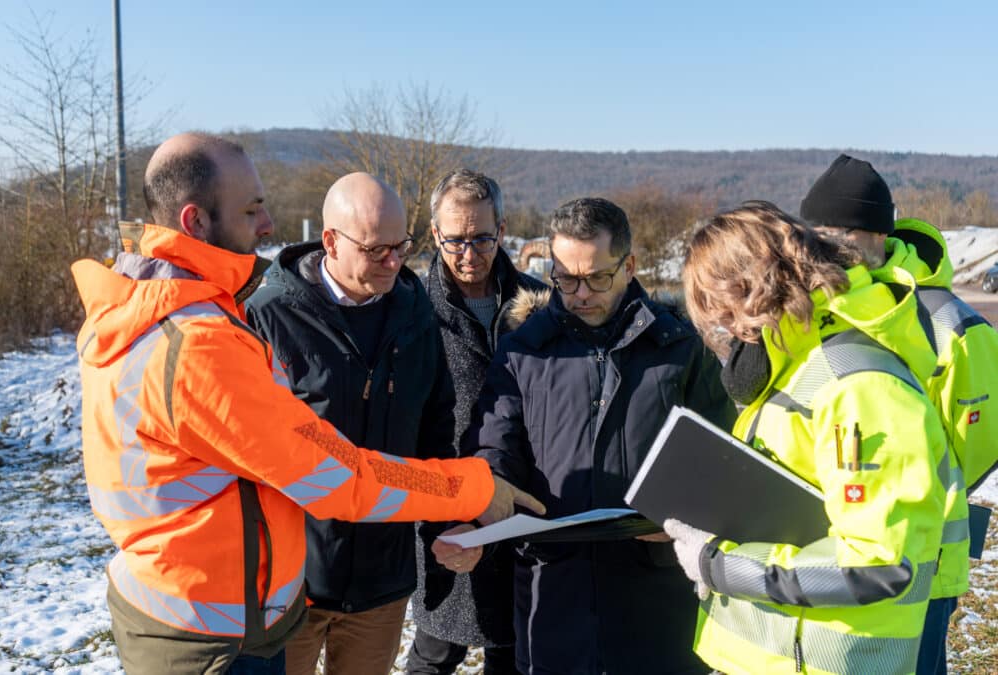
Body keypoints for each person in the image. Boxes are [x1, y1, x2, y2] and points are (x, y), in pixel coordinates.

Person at [71, 133, 543, 675]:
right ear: (196, 220)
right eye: (252, 209)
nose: (268, 224)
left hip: (213, 606)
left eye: (401, 246)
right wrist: (473, 488)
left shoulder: (143, 308)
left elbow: (428, 425)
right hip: (222, 633)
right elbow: (339, 475)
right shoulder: (206, 339)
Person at [668, 201, 949, 675]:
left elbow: (877, 562)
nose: (725, 326)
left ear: (756, 285)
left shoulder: (859, 385)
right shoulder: (794, 360)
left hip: (832, 660)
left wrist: (721, 566)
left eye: (723, 308)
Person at [467, 197, 737, 674]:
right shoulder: (522, 352)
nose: (580, 293)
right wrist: (486, 495)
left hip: (655, 601)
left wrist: (688, 513)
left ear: (629, 265)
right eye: (566, 279)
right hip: (553, 594)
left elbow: (719, 455)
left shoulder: (679, 349)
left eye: (596, 278)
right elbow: (494, 445)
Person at [245, 171, 463, 675]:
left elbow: (435, 430)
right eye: (375, 249)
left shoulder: (417, 315)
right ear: (330, 242)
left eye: (401, 246)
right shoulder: (267, 316)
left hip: (381, 582)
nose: (392, 261)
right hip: (290, 585)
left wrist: (446, 526)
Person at [801, 154, 998, 674]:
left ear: (879, 237)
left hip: (920, 562)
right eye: (817, 235)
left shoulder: (952, 326)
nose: (829, 249)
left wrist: (899, 489)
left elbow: (975, 448)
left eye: (842, 235)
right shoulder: (807, 306)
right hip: (822, 552)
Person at [406, 170, 547, 675]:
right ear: (434, 233)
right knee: (437, 648)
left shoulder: (541, 305)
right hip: (446, 501)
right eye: (455, 240)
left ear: (502, 230)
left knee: (515, 649)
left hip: (522, 502)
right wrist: (445, 515)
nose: (469, 253)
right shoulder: (413, 308)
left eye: (482, 238)